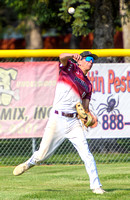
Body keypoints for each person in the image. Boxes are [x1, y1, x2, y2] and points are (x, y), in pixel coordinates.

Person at [13, 51, 106, 194]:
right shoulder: (69, 68)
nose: (91, 62)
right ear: (79, 60)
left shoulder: (88, 85)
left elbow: (85, 108)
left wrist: (89, 117)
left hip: (73, 122)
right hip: (57, 119)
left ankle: (96, 186)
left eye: (93, 60)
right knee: (42, 156)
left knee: (87, 154)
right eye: (88, 59)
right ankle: (29, 163)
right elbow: (62, 56)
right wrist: (71, 54)